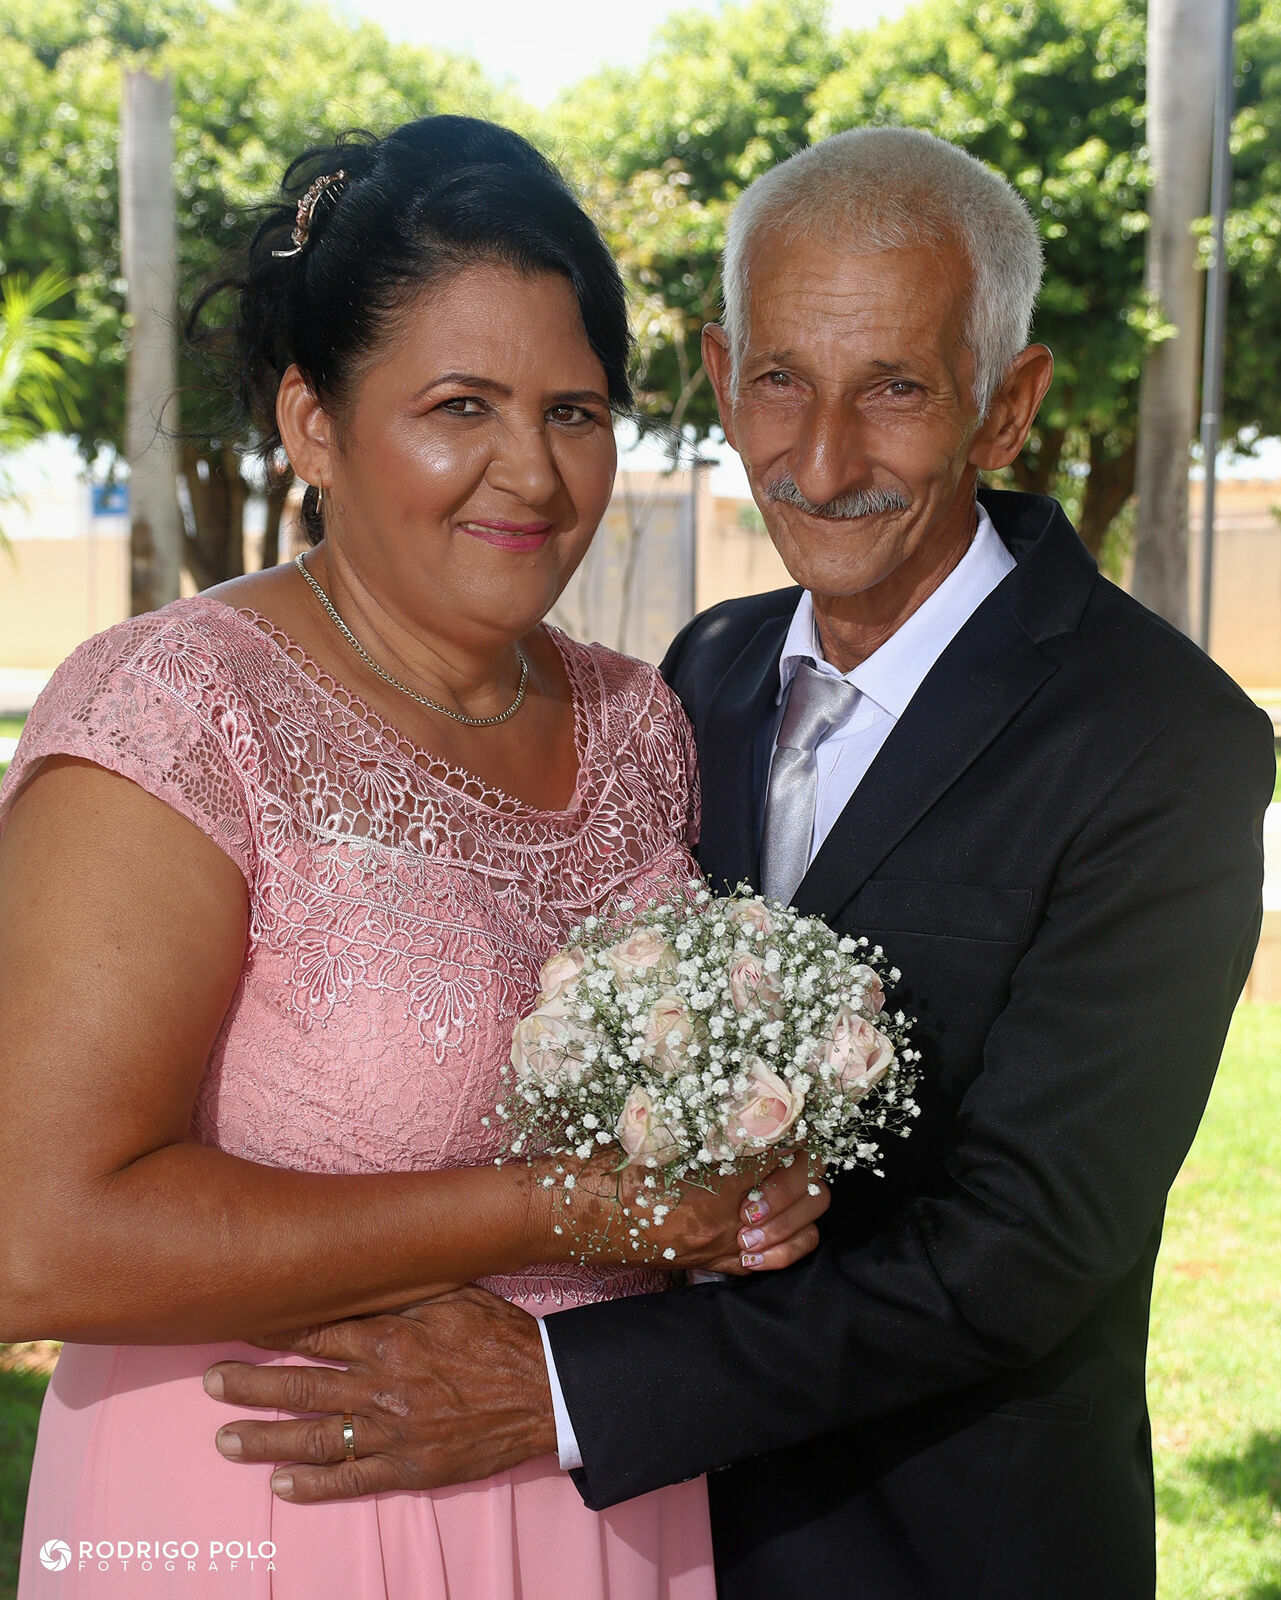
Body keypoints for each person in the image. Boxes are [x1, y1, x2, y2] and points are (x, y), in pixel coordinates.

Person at [203, 128, 1275, 1599]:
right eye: (780, 380)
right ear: (720, 375)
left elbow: (1032, 1242)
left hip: (931, 1547)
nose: (820, 459)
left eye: (893, 387)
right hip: (629, 1544)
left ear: (1006, 403)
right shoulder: (694, 676)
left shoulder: (1159, 737)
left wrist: (566, 1387)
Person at [0, 115, 830, 1600]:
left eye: (575, 411)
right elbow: (36, 1240)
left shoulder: (636, 720)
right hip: (272, 1508)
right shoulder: (181, 713)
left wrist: (741, 1189)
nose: (531, 472)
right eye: (460, 405)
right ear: (311, 423)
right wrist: (566, 1208)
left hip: (603, 1503)